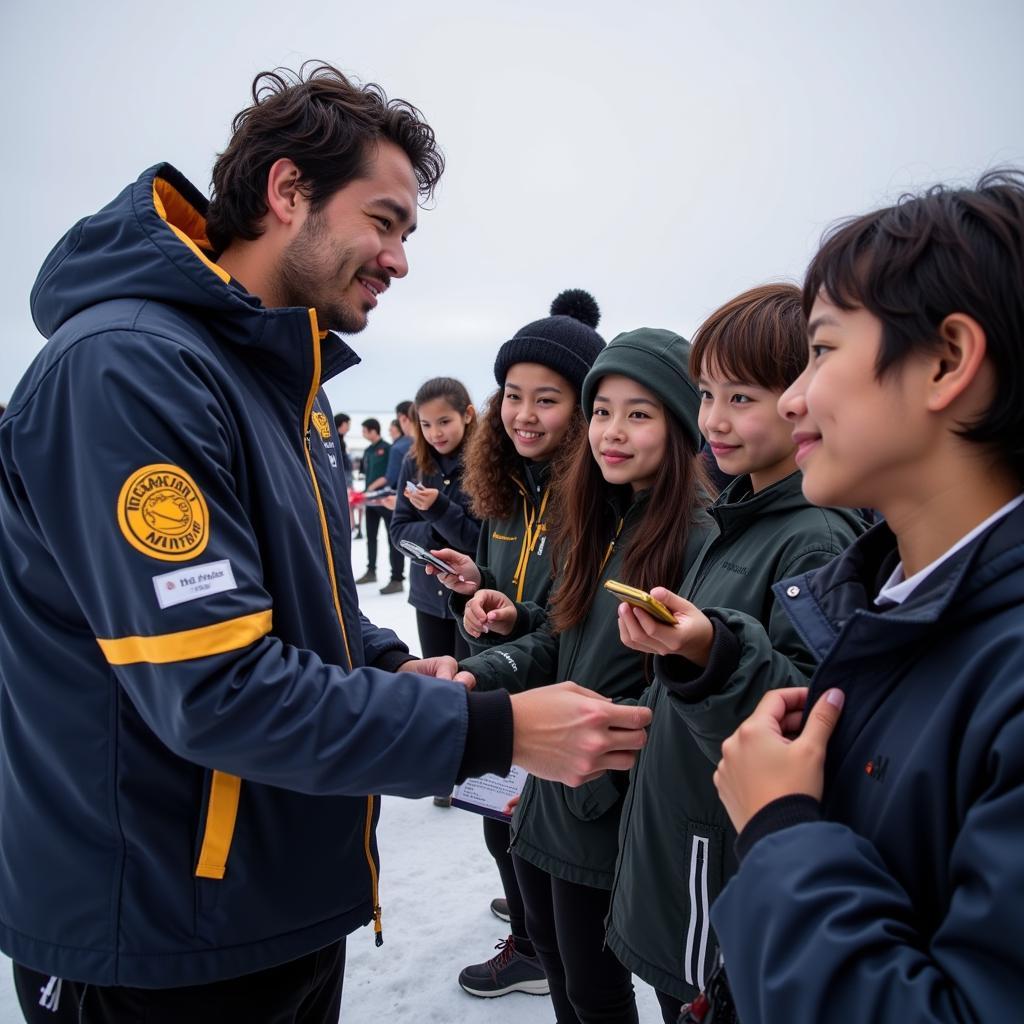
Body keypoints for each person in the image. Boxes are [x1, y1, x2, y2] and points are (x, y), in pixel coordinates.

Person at [0, 62, 654, 1023]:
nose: (398, 259)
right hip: (157, 936)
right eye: (383, 221)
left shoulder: (272, 377)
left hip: (275, 900)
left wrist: (395, 665)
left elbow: (307, 606)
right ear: (287, 192)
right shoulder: (129, 370)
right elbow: (213, 686)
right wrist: (500, 732)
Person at [703, 171, 1024, 1022]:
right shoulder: (893, 599)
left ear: (947, 362)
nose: (797, 395)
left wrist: (779, 830)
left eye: (822, 348)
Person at [604, 285, 865, 1022]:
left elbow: (815, 713)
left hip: (718, 866)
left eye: (742, 396)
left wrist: (710, 653)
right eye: (706, 393)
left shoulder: (814, 535)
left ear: (801, 398)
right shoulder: (735, 515)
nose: (713, 419)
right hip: (680, 836)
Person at [458, 330, 713, 1024]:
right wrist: (473, 676)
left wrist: (592, 777)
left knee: (613, 989)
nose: (612, 431)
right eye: (603, 411)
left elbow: (686, 693)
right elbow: (559, 641)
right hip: (550, 800)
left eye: (639, 413)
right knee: (563, 969)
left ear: (681, 422)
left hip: (610, 808)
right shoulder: (595, 519)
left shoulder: (697, 535)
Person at [428, 289, 606, 999]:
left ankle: (534, 944)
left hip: (556, 702)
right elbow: (503, 584)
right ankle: (533, 928)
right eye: (512, 395)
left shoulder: (589, 496)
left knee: (531, 840)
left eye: (548, 400)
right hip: (506, 681)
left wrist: (515, 621)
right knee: (498, 828)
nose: (523, 415)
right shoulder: (505, 488)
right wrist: (475, 586)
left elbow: (572, 610)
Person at [389, 377, 480, 666]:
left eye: (444, 421)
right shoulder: (412, 463)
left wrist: (439, 509)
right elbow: (398, 532)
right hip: (427, 596)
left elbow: (479, 539)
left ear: (467, 415)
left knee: (471, 681)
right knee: (438, 679)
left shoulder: (485, 464)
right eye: (425, 425)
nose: (435, 433)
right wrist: (436, 532)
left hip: (473, 595)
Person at [357, 417, 405, 591]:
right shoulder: (368, 451)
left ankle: (397, 578)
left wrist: (373, 487)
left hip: (386, 500)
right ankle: (371, 571)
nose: (363, 434)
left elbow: (390, 475)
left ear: (373, 430)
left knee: (393, 539)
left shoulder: (389, 448)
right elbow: (365, 473)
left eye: (364, 430)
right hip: (370, 500)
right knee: (371, 537)